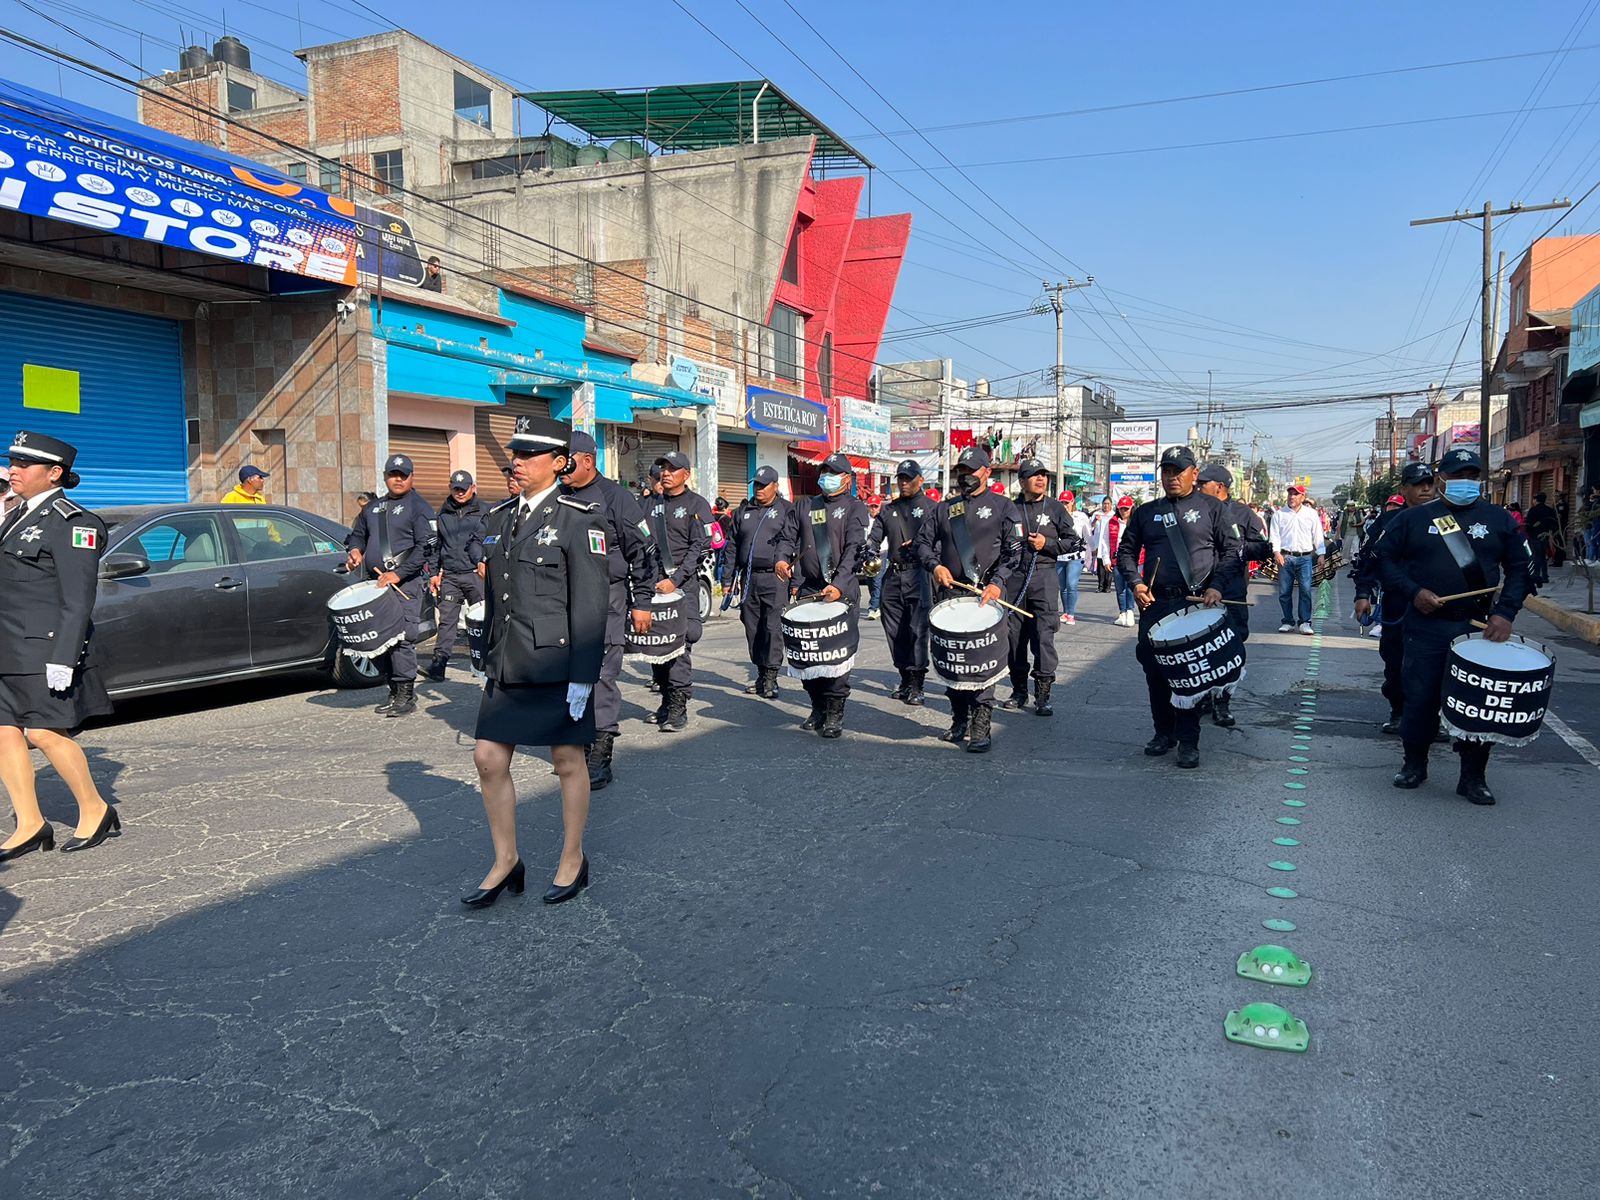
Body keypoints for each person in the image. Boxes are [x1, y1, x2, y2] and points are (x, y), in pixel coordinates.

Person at [463, 415, 609, 908]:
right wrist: (482, 649)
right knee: (487, 757)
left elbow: (590, 602)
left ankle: (573, 858)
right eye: (515, 455)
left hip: (557, 661)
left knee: (567, 760)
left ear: (559, 462)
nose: (516, 463)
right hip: (509, 660)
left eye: (528, 456)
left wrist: (584, 675)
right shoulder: (500, 517)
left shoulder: (579, 518)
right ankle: (507, 860)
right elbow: (495, 592)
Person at [1374, 448, 1532, 805]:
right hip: (1427, 625)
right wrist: (1413, 591)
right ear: (1440, 477)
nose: (1465, 482)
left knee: (1477, 704)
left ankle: (1473, 777)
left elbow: (1522, 570)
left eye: (1472, 476)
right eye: (1457, 475)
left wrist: (1505, 613)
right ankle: (1414, 764)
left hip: (1479, 628)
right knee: (1421, 697)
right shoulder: (1412, 520)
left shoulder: (1499, 520)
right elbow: (1383, 560)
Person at [0, 431, 120, 860]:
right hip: (7, 646)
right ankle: (30, 822)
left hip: (41, 648)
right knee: (4, 734)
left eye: (24, 464)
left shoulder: (74, 522)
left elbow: (78, 597)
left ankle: (95, 809)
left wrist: (65, 656)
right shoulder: (15, 515)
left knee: (45, 732)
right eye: (11, 462)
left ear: (54, 473)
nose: (13, 469)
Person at [1116, 446, 1241, 769]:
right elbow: (1126, 552)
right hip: (1156, 602)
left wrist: (1217, 586)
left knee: (1187, 673)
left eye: (1178, 471)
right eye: (1166, 471)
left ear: (1193, 473)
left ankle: (1189, 740)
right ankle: (1163, 732)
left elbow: (1232, 552)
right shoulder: (1146, 512)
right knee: (1154, 671)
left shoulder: (1212, 508)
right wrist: (1136, 584)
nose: (1171, 477)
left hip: (1197, 602)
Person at [560, 431, 660, 789]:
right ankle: (578, 745)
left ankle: (600, 754)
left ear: (587, 460)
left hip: (608, 597)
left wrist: (642, 603)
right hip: (565, 601)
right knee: (568, 676)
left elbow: (645, 552)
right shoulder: (559, 498)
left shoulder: (616, 498)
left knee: (601, 674)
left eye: (567, 460)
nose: (561, 468)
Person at [913, 445, 1022, 753]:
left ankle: (981, 725)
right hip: (951, 596)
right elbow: (922, 543)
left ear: (986, 472)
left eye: (970, 471)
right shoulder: (944, 508)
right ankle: (959, 719)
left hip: (987, 596)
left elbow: (1014, 551)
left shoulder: (1003, 507)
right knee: (955, 660)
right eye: (960, 472)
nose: (964, 477)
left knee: (982, 662)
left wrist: (999, 582)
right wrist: (935, 566)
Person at [778, 452, 869, 737]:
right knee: (809, 652)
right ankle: (817, 705)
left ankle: (834, 712)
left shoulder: (855, 509)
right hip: (810, 590)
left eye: (833, 472)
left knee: (835, 654)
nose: (826, 477)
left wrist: (840, 582)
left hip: (841, 590)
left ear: (846, 479)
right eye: (824, 471)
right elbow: (787, 537)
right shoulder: (805, 505)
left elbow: (855, 549)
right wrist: (781, 559)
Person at [344, 453, 437, 718]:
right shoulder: (372, 508)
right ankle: (393, 691)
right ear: (385, 476)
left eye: (403, 475)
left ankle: (406, 694)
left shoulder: (419, 506)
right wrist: (355, 551)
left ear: (411, 476)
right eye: (392, 474)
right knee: (382, 639)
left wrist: (400, 573)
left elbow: (427, 546)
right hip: (376, 584)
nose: (397, 479)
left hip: (405, 584)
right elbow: (358, 534)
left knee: (403, 638)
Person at [1352, 464, 1437, 733]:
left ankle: (1433, 719)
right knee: (1396, 662)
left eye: (1429, 483)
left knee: (1436, 666)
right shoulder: (1388, 522)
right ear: (1403, 489)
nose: (1425, 488)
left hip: (1438, 606)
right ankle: (1399, 711)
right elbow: (1368, 559)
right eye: (1417, 483)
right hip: (1399, 604)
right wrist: (1363, 594)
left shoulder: (1446, 518)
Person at [1196, 464, 1270, 728]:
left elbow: (1263, 548)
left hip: (1231, 590)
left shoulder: (1242, 513)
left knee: (1231, 645)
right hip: (1199, 591)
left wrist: (1237, 547)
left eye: (1203, 484)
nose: (1198, 487)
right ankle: (1202, 697)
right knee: (1200, 647)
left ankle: (1223, 701)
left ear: (1220, 487)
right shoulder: (1195, 510)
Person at [646, 451, 713, 731]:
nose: (666, 473)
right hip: (652, 586)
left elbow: (701, 547)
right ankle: (664, 700)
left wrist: (676, 579)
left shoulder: (697, 504)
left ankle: (678, 705)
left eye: (673, 469)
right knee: (655, 648)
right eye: (663, 468)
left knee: (678, 647)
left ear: (686, 474)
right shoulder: (651, 504)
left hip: (681, 586)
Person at [1003, 458, 1073, 716]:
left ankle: (1043, 695)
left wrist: (1048, 543)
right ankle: (1019, 690)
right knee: (1014, 638)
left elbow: (1072, 542)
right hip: (1014, 578)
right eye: (1034, 475)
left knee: (1043, 637)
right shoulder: (1010, 508)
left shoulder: (1055, 508)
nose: (1041, 479)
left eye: (1043, 474)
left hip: (1044, 576)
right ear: (1022, 481)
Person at [872, 460, 933, 705]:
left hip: (920, 575)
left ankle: (918, 683)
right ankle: (905, 678)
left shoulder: (932, 508)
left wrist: (921, 546)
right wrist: (869, 550)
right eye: (901, 478)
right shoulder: (888, 510)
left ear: (920, 479)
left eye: (909, 478)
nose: (904, 483)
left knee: (918, 630)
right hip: (893, 576)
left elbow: (940, 542)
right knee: (895, 630)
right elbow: (875, 536)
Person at [732, 465, 794, 698]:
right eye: (755, 484)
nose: (758, 489)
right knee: (753, 628)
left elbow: (794, 542)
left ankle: (771, 677)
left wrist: (795, 579)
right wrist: (728, 579)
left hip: (775, 577)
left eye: (763, 485)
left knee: (772, 628)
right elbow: (732, 545)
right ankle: (760, 673)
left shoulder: (787, 510)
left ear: (775, 486)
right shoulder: (743, 510)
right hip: (749, 577)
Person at [425, 470, 489, 681]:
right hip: (451, 575)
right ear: (451, 488)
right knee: (447, 621)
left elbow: (491, 541)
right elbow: (437, 546)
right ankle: (439, 663)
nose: (460, 493)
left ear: (473, 488)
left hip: (475, 575)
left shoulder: (486, 511)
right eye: (456, 489)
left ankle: (487, 661)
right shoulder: (443, 513)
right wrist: (434, 573)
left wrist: (485, 563)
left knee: (483, 619)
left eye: (464, 488)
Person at [1271, 484, 1326, 634]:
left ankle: (1305, 622)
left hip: (1305, 558)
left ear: (1302, 497)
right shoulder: (1279, 514)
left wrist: (1321, 554)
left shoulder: (1311, 514)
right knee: (1284, 592)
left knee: (1305, 591)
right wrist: (1276, 552)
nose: (1292, 497)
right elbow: (1274, 535)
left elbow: (1317, 535)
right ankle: (1288, 621)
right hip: (1285, 557)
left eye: (1296, 494)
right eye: (1290, 494)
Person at [1102, 496, 1138, 625]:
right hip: (1117, 558)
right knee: (1119, 588)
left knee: (1130, 587)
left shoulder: (1136, 522)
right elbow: (1105, 541)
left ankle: (1130, 611)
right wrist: (1106, 559)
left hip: (1133, 559)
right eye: (1121, 509)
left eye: (1126, 509)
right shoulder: (1112, 522)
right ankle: (1122, 612)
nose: (1123, 511)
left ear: (1131, 508)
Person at [1058, 503, 1093, 625]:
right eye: (1062, 502)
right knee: (1062, 587)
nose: (1064, 505)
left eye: (1067, 502)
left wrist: (1093, 550)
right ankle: (1066, 612)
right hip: (1060, 555)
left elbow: (1088, 534)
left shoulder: (1080, 516)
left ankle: (1071, 614)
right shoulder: (1057, 514)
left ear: (1072, 502)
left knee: (1071, 584)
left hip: (1076, 556)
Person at [1524, 492, 1558, 586]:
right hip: (1545, 535)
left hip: (1535, 536)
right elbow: (1554, 522)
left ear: (1536, 500)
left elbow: (1528, 523)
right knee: (1543, 556)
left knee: (1535, 556)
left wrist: (1529, 532)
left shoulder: (1533, 510)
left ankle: (1536, 575)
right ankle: (1545, 576)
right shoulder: (1549, 510)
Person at [861, 495, 886, 619]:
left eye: (876, 506)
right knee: (870, 581)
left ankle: (874, 608)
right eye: (871, 506)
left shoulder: (884, 519)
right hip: (867, 553)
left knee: (877, 581)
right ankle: (878, 603)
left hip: (882, 553)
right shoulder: (864, 520)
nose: (874, 509)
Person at [1090, 497, 1115, 591]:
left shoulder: (1113, 515)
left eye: (1108, 503)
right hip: (1098, 542)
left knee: (1108, 564)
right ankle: (1100, 586)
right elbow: (1090, 527)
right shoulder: (1097, 514)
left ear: (1111, 505)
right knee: (1100, 564)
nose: (1106, 505)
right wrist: (1095, 520)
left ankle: (1107, 586)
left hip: (1109, 542)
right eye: (1104, 503)